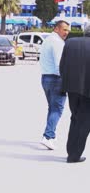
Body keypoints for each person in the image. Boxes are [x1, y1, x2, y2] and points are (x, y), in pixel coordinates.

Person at [60, 25, 90, 163]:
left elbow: (62, 65)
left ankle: (71, 151)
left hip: (72, 89)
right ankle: (74, 155)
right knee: (84, 123)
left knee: (75, 118)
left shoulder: (70, 43)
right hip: (87, 91)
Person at [39, 20, 70, 150]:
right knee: (57, 109)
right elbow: (59, 65)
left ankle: (51, 135)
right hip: (56, 79)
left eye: (68, 30)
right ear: (57, 29)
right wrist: (66, 80)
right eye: (64, 30)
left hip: (45, 78)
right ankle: (47, 136)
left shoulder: (47, 40)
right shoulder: (57, 43)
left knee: (52, 108)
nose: (67, 33)